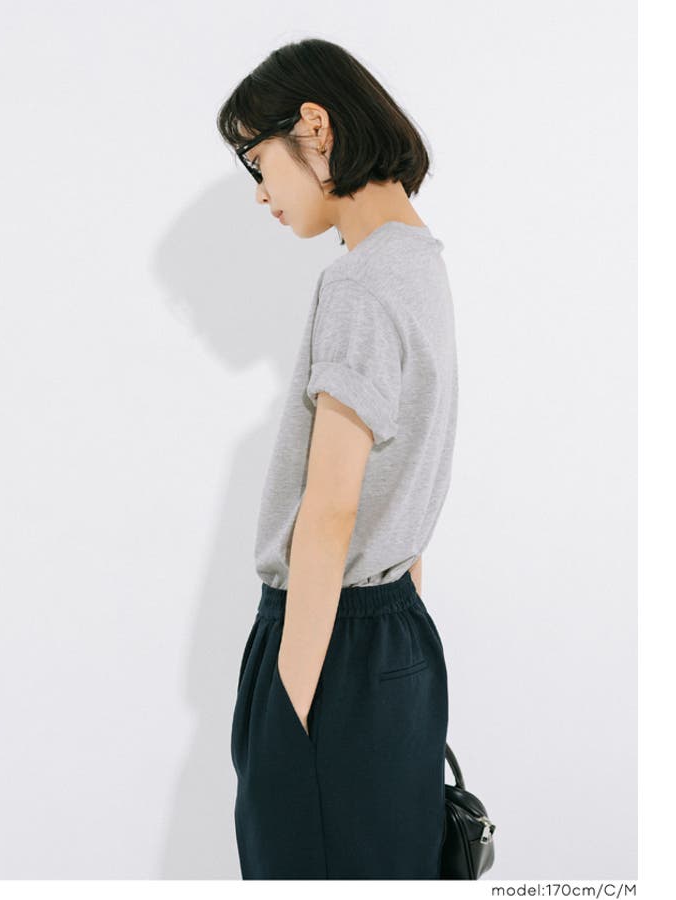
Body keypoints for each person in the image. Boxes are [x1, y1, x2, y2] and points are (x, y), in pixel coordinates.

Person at [216, 38, 458, 880]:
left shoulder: (359, 282)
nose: (261, 192)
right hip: (401, 638)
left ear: (314, 127)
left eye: (257, 162)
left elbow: (331, 509)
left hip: (330, 648)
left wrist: (286, 702)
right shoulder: (420, 263)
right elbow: (409, 472)